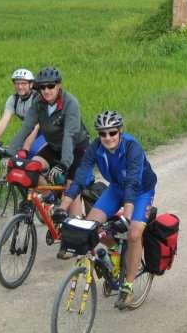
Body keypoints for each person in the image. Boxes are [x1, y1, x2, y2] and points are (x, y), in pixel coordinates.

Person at [64, 110, 157, 310]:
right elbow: (80, 177)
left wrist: (126, 217)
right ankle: (114, 250)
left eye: (112, 133)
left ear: (120, 131)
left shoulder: (132, 148)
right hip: (116, 188)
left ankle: (128, 287)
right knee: (90, 227)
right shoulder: (95, 148)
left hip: (140, 191)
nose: (107, 138)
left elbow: (133, 183)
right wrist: (61, 208)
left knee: (133, 234)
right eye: (103, 134)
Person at [9, 66, 90, 188]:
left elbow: (70, 135)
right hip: (54, 147)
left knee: (70, 193)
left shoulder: (70, 103)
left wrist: (64, 164)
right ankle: (49, 200)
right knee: (32, 169)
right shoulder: (38, 103)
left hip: (76, 149)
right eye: (42, 87)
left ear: (59, 85)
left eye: (51, 86)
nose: (46, 90)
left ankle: (67, 202)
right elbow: (25, 128)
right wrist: (10, 153)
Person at [0, 68, 45, 162]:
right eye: (17, 83)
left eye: (23, 83)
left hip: (45, 134)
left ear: (31, 84)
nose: (19, 87)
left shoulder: (38, 98)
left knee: (32, 158)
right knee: (9, 158)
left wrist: (25, 149)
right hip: (27, 133)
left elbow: (36, 125)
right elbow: (4, 121)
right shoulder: (13, 100)